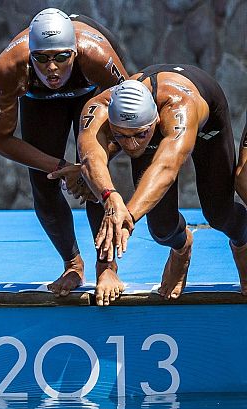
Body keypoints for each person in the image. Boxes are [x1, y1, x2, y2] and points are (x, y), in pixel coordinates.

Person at [0, 8, 128, 296]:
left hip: (91, 93)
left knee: (95, 179)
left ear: (74, 53)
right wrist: (61, 167)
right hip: (39, 101)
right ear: (30, 55)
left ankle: (107, 267)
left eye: (61, 57)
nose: (52, 68)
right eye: (42, 58)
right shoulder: (9, 67)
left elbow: (132, 120)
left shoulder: (96, 56)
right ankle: (72, 264)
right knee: (43, 182)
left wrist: (89, 167)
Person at [74, 67, 247, 303]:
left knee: (219, 214)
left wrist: (128, 217)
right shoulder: (98, 109)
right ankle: (182, 248)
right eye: (121, 136)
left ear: (156, 120)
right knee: (162, 229)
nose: (131, 145)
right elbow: (90, 159)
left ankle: (243, 245)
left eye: (139, 135)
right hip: (155, 131)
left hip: (207, 120)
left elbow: (166, 167)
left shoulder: (179, 107)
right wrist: (110, 197)